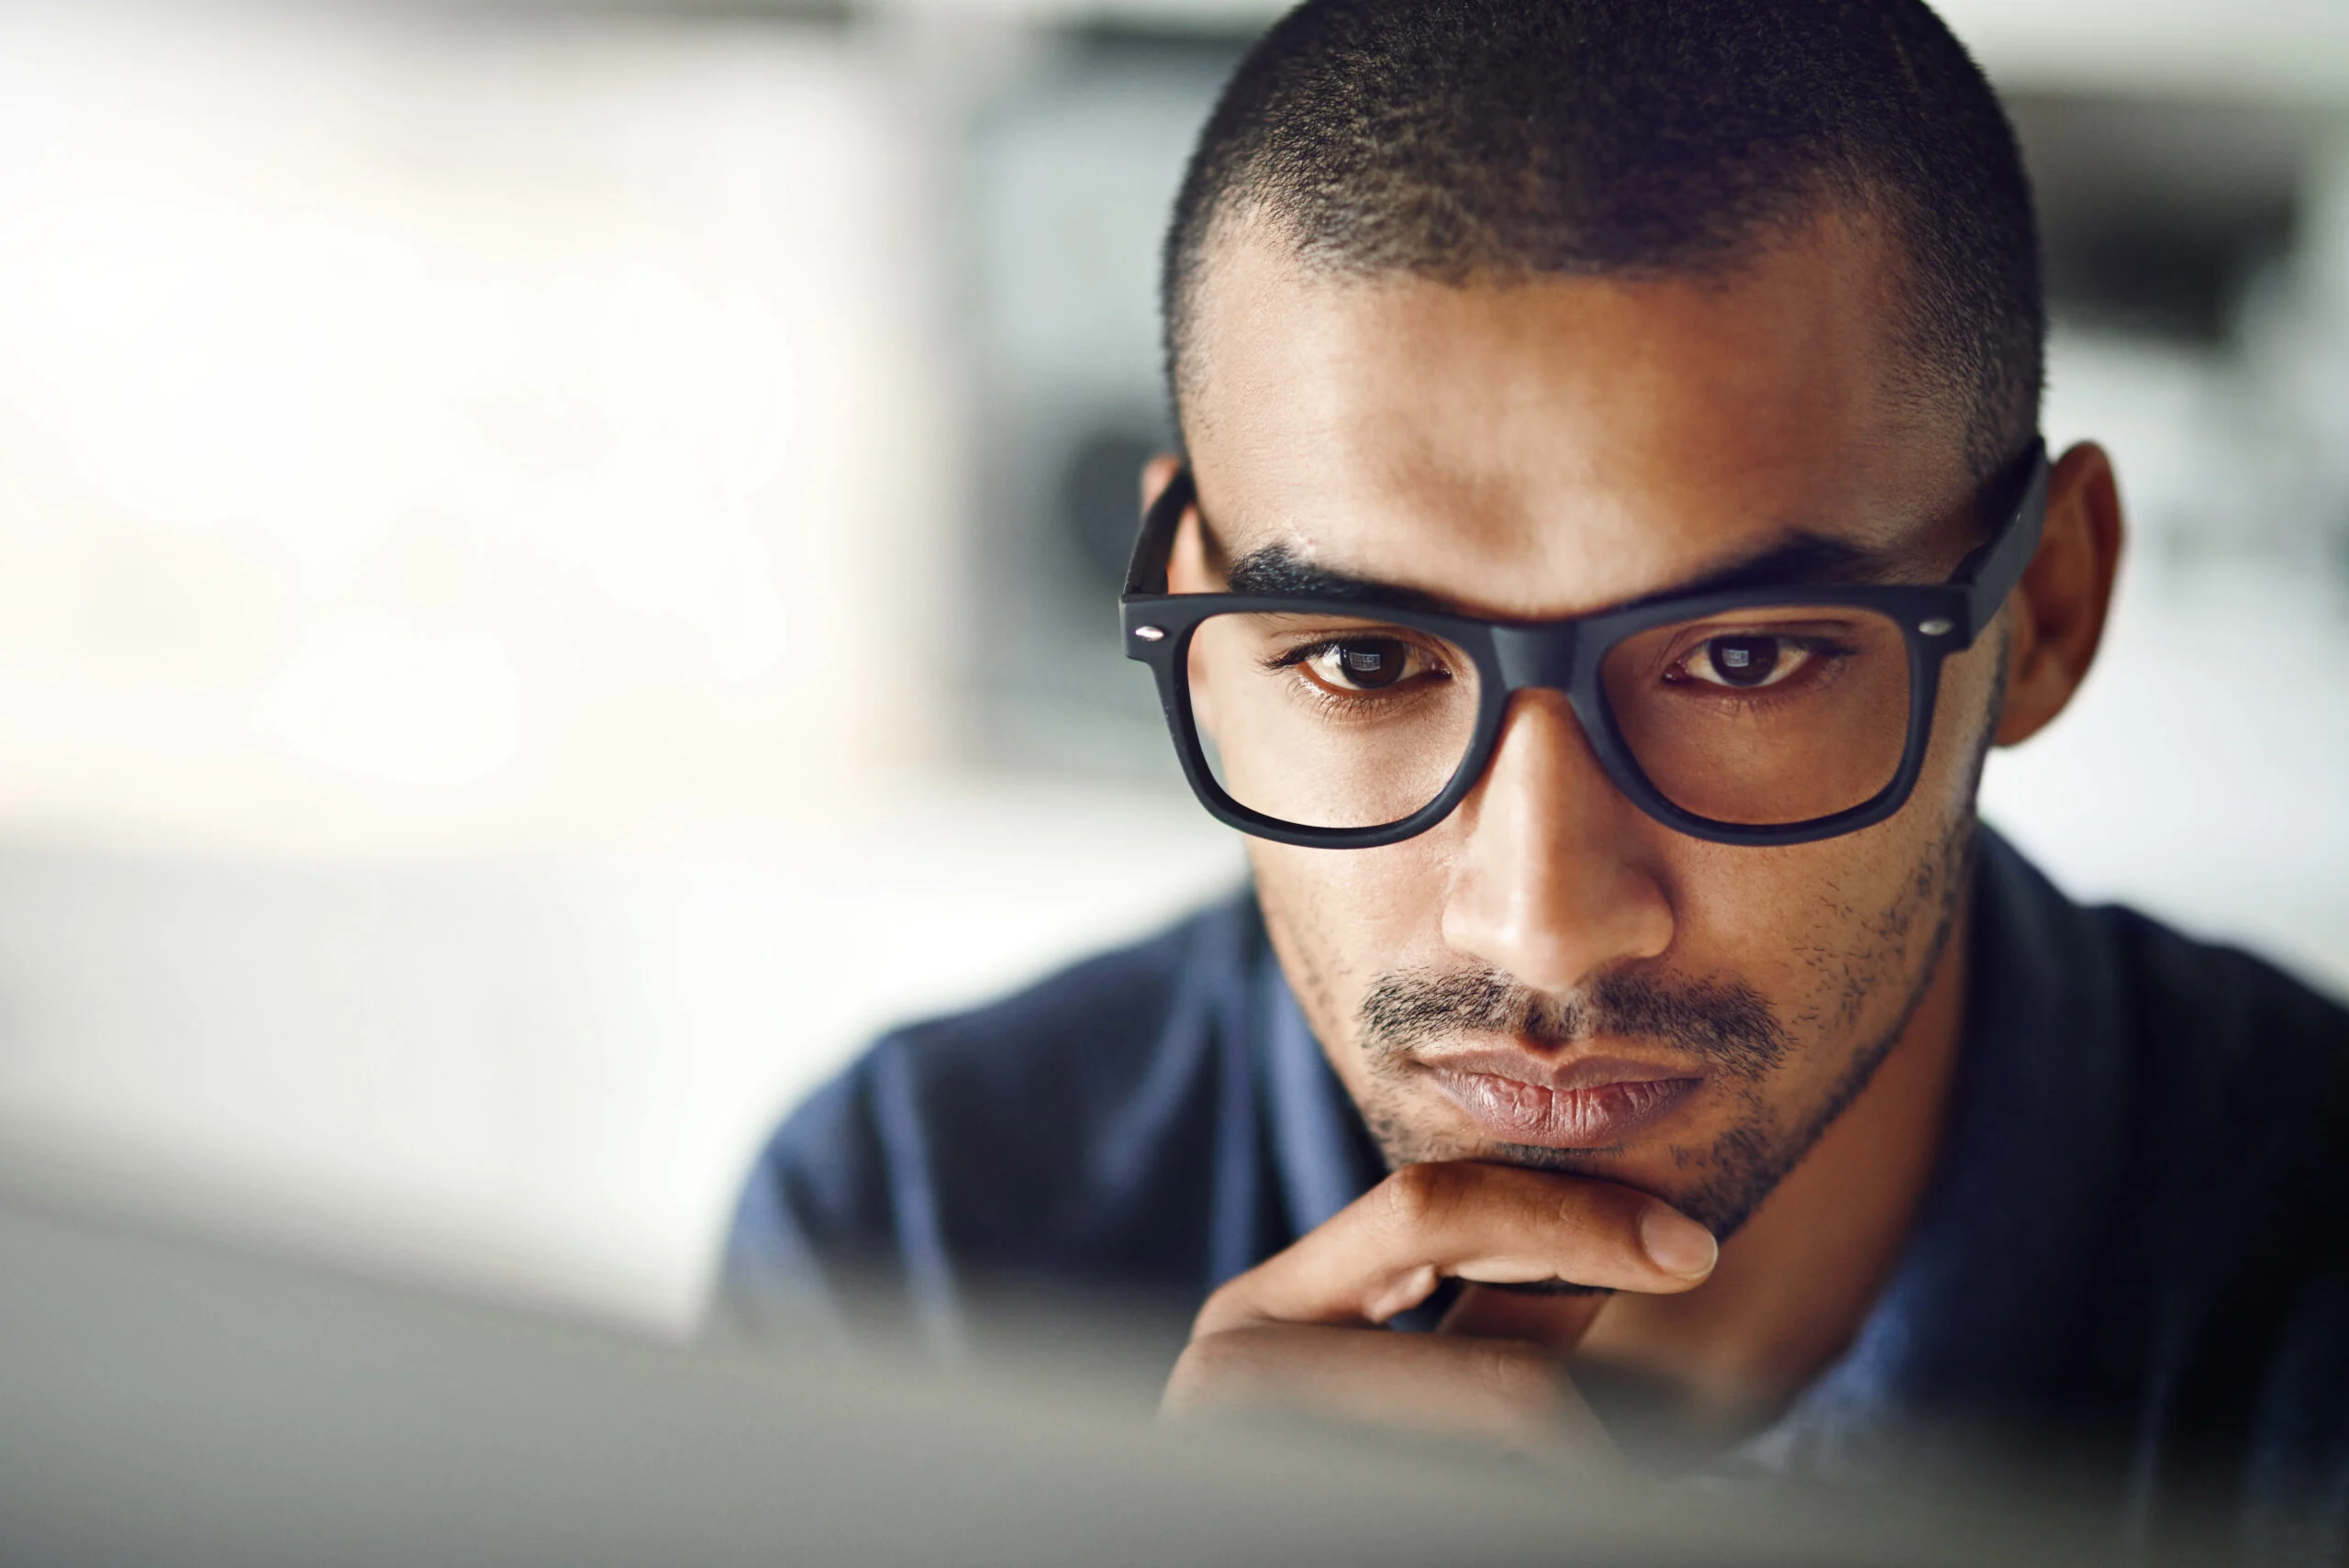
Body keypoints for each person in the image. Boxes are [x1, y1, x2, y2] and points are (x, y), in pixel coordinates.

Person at [722, 0, 2349, 1551]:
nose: (1544, 925)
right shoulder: (912, 1251)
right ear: (1205, 641)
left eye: (1743, 658)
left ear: (2047, 612)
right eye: (1363, 661)